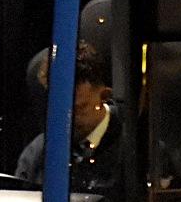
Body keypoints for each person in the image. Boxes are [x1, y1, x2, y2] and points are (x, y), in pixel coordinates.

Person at [17, 40, 120, 193]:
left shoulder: (135, 148)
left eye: (79, 109)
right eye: (60, 109)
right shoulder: (38, 154)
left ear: (104, 95)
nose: (68, 119)